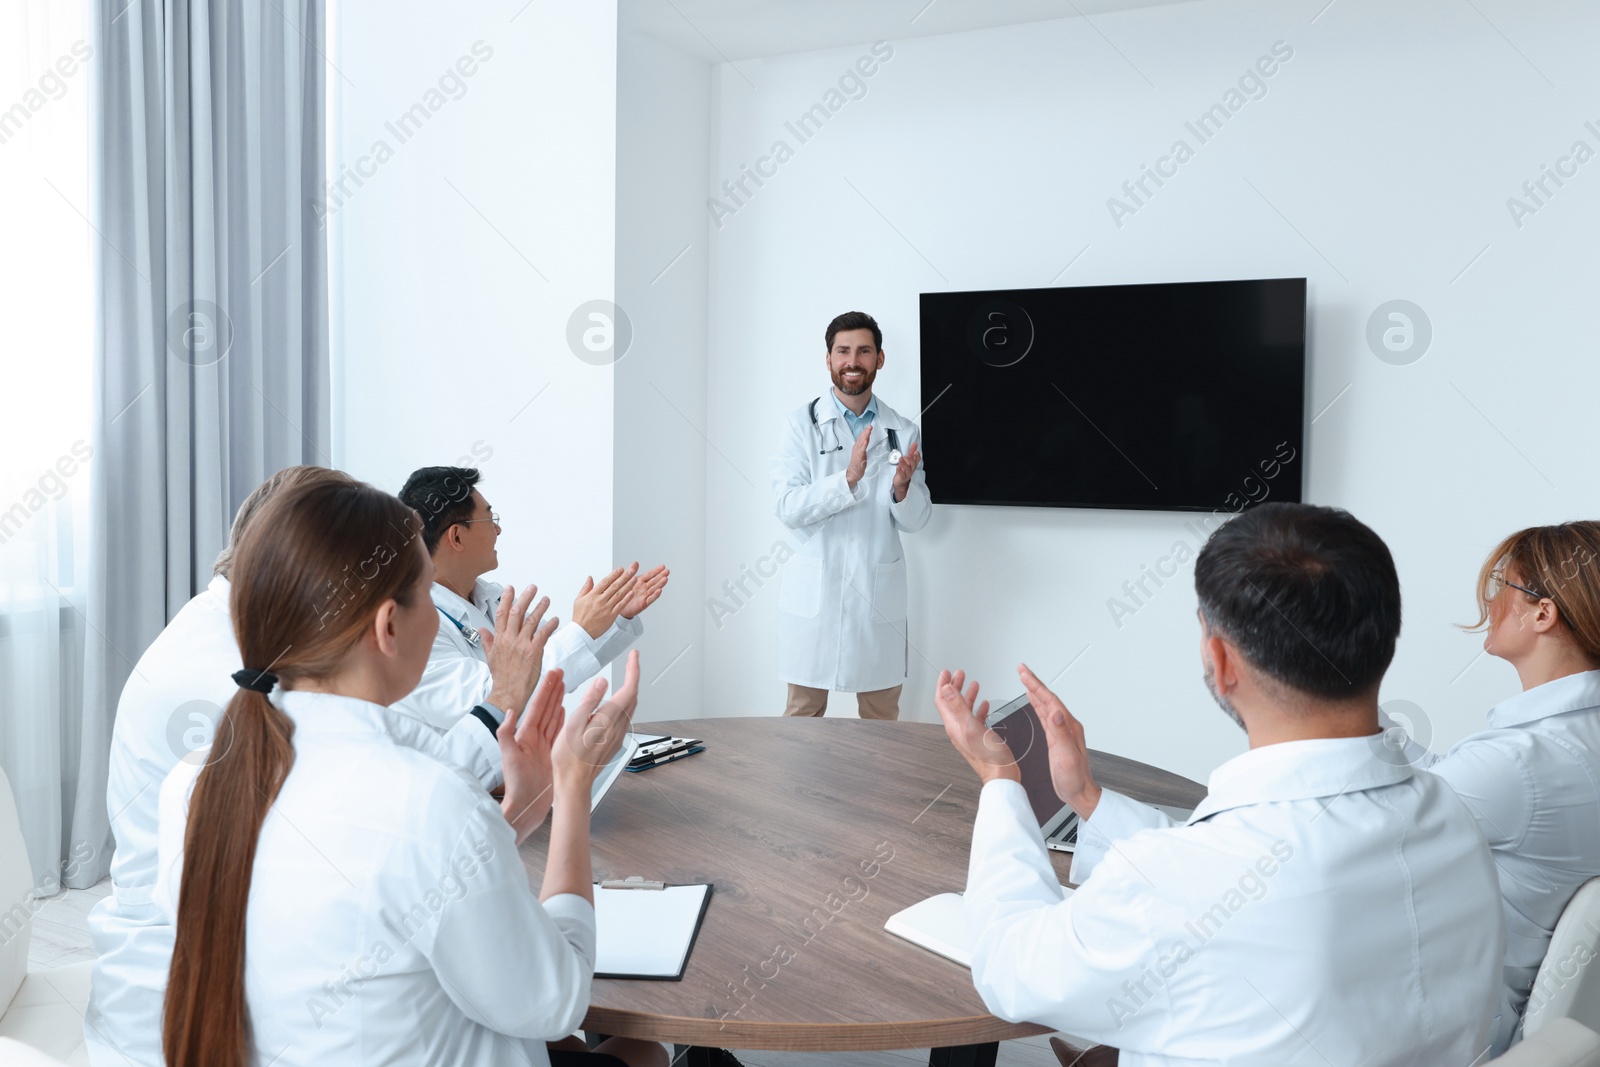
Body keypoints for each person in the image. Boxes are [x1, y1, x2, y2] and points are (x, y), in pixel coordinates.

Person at [933, 502, 1504, 1066]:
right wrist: (1087, 798)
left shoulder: (1186, 882)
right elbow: (1223, 865)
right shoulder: (1452, 817)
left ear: (1220, 660)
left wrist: (1001, 780)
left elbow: (1011, 968)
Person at [155, 478, 666, 1067]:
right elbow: (556, 1002)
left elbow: (408, 881)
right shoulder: (426, 801)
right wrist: (572, 786)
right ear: (388, 625)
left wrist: (512, 816)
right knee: (641, 1053)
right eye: (428, 594)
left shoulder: (194, 783)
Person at [85, 466, 555, 1067]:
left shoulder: (254, 647)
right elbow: (397, 783)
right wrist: (501, 714)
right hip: (194, 1011)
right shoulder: (229, 673)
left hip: (256, 962)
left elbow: (392, 773)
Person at [1384, 521, 1600, 1055]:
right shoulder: (1566, 742)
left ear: (1542, 613)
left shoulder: (1520, 763)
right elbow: (1451, 789)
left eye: (1504, 584)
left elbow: (1372, 824)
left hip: (1445, 1025)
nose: (1489, 599)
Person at [394, 466, 668, 731]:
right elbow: (492, 705)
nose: (498, 530)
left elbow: (557, 670)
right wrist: (581, 629)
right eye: (490, 519)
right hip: (464, 777)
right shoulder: (408, 628)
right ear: (456, 536)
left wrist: (617, 615)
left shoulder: (492, 598)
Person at [769, 311, 930, 719]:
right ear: (828, 359)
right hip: (815, 601)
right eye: (843, 351)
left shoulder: (903, 432)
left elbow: (917, 520)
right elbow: (788, 508)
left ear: (880, 358)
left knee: (882, 728)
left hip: (877, 602)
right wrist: (848, 479)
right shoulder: (800, 426)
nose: (852, 361)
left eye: (863, 351)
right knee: (802, 721)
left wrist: (901, 489)